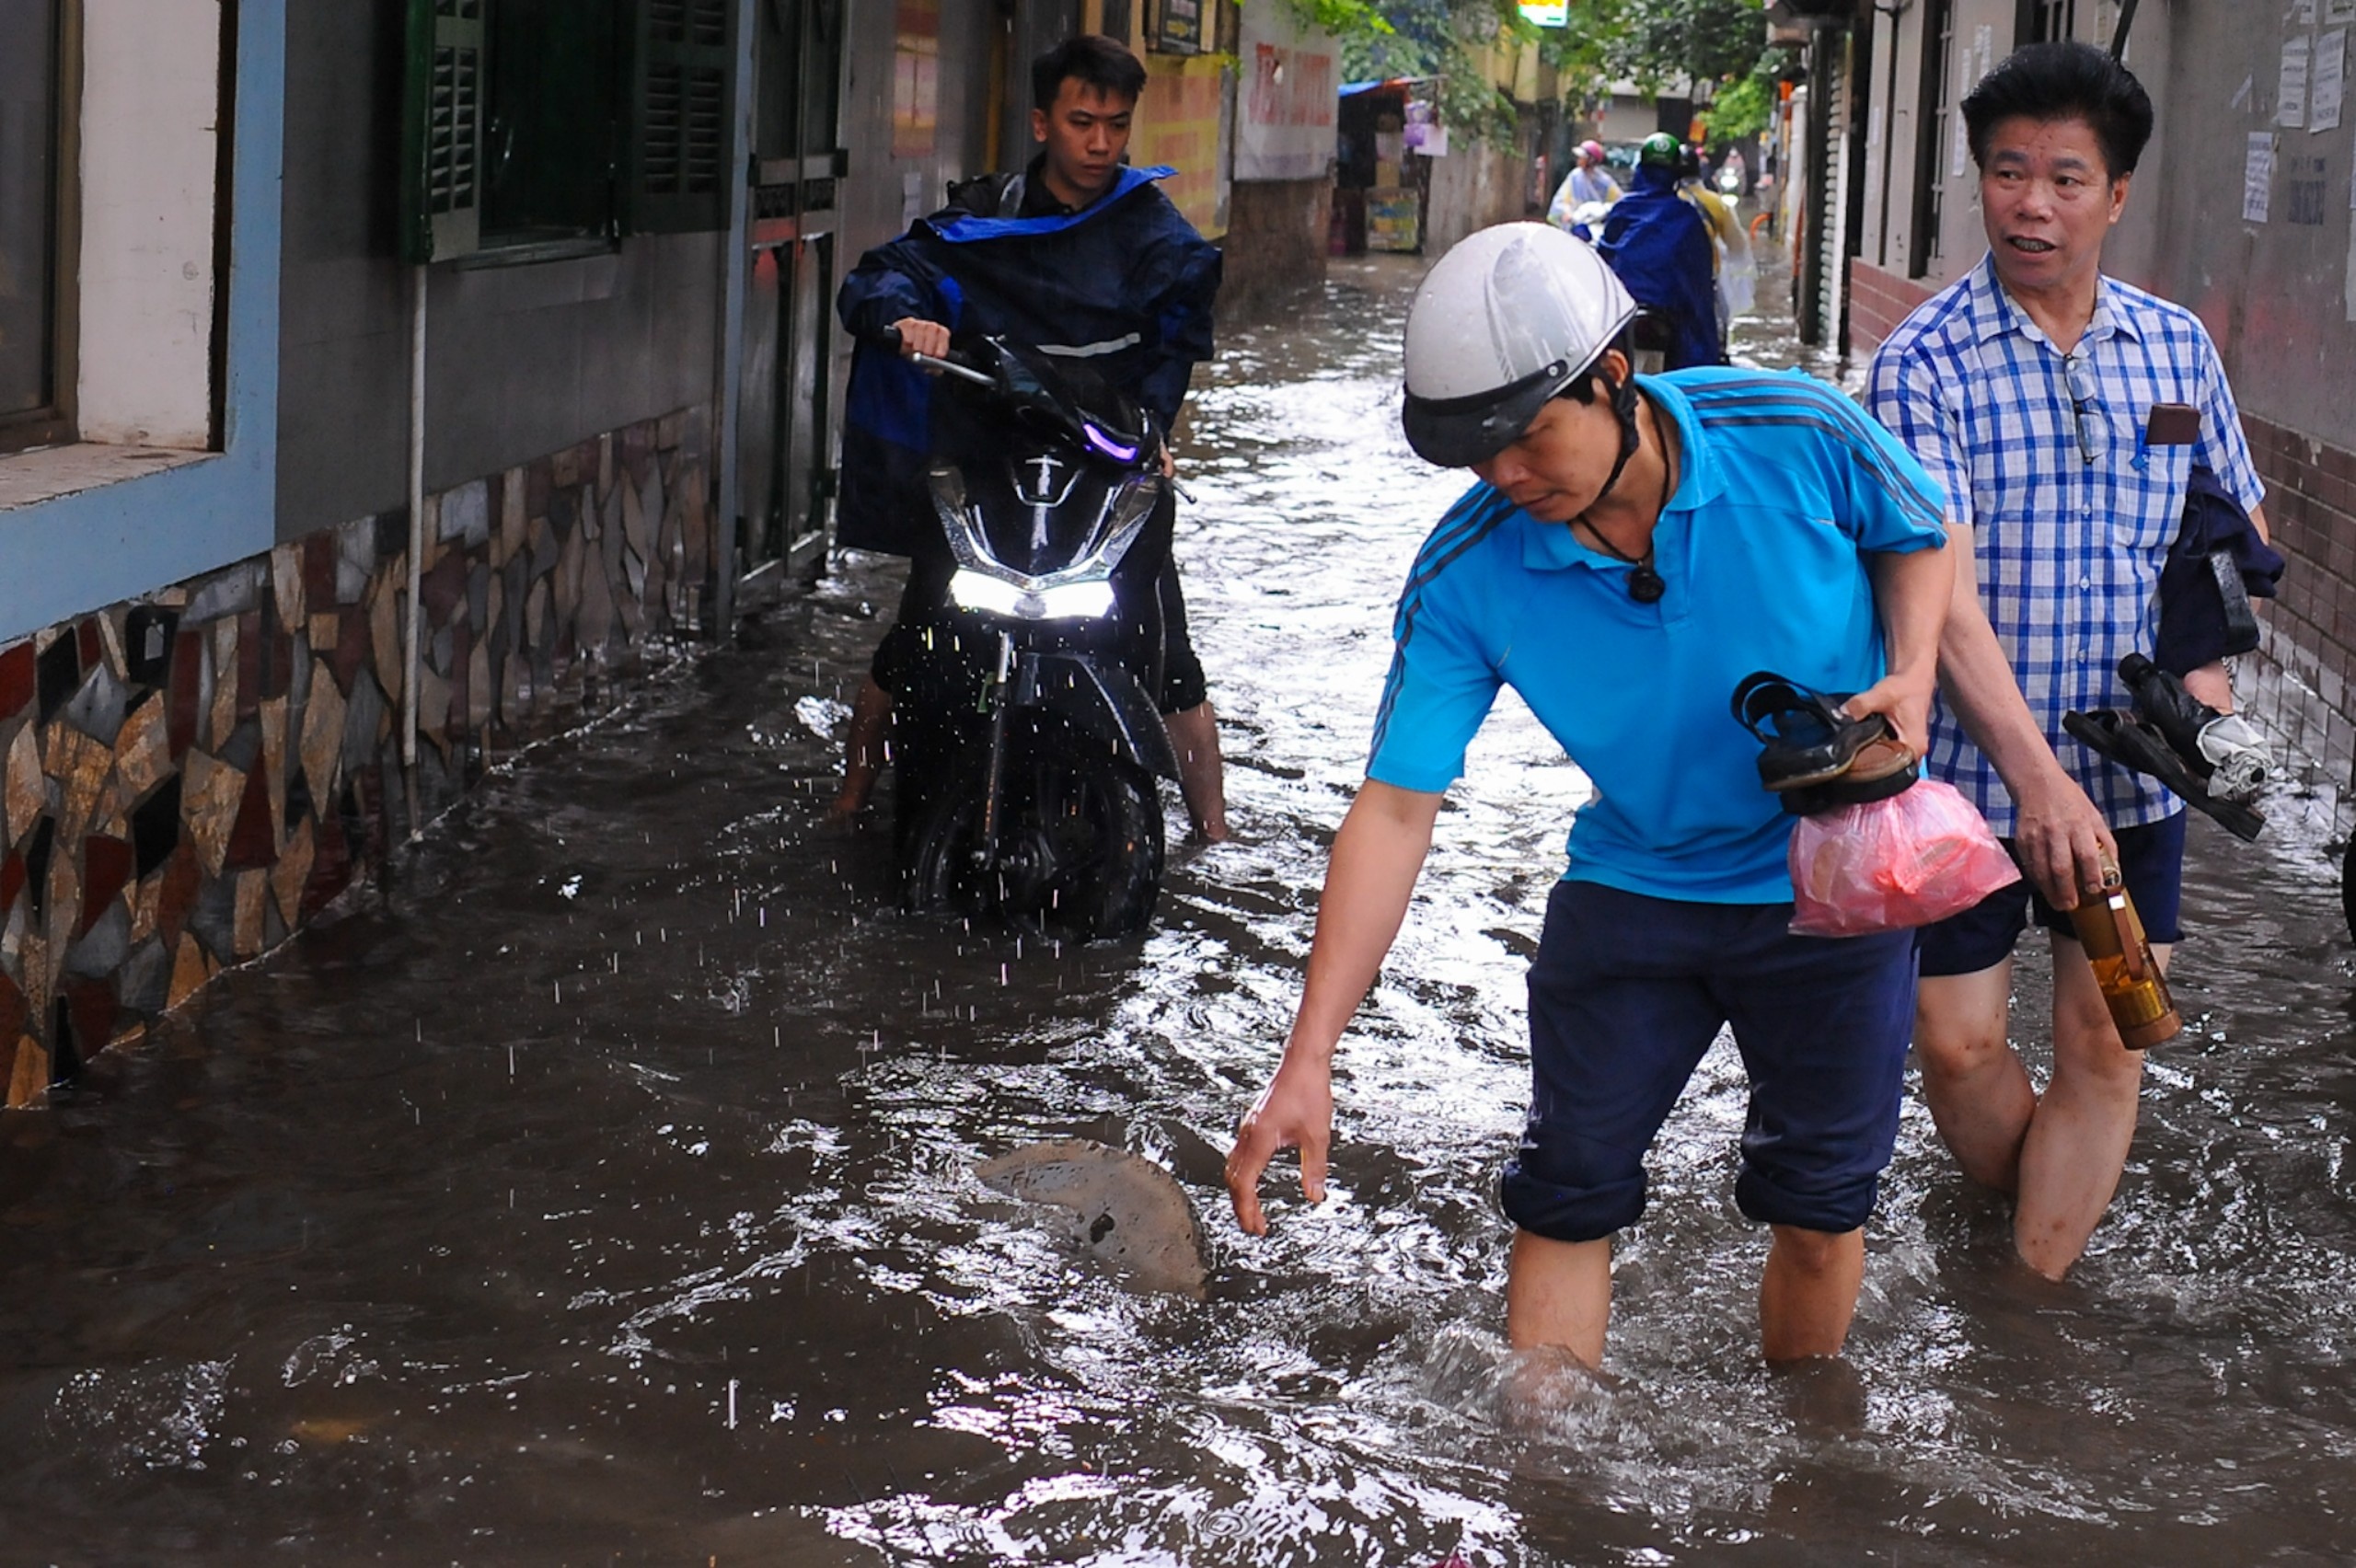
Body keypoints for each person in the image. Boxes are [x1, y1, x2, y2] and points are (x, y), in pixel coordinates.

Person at [1222, 223, 1953, 1368]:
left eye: (1524, 438)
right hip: (1634, 891)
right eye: (1474, 455)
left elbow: (1918, 526)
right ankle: (1545, 1482)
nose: (1503, 475)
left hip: (1830, 881)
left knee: (1821, 1208)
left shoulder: (1794, 431)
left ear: (1613, 377)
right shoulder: (1466, 571)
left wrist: (1910, 673)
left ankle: (1806, 1461)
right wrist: (1307, 1054)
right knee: (1565, 1195)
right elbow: (1395, 809)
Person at [1864, 42, 2272, 1279]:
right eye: (2007, 173)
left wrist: (2206, 691)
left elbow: (2216, 527)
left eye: (2065, 178)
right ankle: (2034, 1223)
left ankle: (2027, 1306)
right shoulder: (1921, 366)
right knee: (1956, 1044)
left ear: (2118, 195)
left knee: (2109, 1040)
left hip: (2137, 781)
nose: (2031, 204)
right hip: (1968, 789)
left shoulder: (2174, 354)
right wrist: (2037, 782)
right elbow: (1940, 592)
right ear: (1980, 181)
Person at [829, 34, 1230, 841]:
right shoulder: (985, 216)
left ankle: (1216, 834)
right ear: (1043, 122)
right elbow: (882, 272)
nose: (1101, 144)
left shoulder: (1159, 240)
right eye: (1083, 123)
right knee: (914, 633)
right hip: (987, 471)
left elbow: (1172, 356)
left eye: (1117, 126)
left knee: (1170, 656)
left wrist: (1149, 433)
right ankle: (852, 795)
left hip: (1107, 476)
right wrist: (903, 318)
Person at [1595, 133, 1725, 372]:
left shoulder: (1623, 209)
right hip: (1670, 321)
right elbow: (1699, 287)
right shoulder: (1687, 217)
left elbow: (1603, 262)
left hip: (1623, 319)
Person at [1545, 139, 1622, 229]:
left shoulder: (1605, 182)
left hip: (1596, 226)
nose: (1578, 160)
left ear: (1591, 160)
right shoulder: (1575, 177)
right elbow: (1562, 200)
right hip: (1575, 225)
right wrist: (1566, 213)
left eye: (1582, 157)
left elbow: (1618, 202)